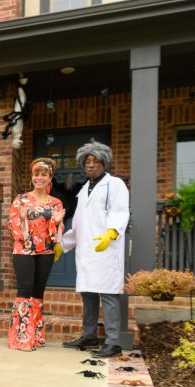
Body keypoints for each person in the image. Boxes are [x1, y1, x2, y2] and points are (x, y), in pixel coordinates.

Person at [58, 142, 130, 358]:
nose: (90, 166)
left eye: (95, 162)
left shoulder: (115, 185)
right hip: (87, 251)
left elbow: (120, 212)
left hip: (106, 248)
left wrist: (111, 233)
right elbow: (79, 224)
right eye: (87, 162)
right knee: (88, 294)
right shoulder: (83, 190)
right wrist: (63, 245)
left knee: (108, 295)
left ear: (104, 163)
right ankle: (89, 336)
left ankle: (113, 342)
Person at [7, 158, 65, 351]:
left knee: (38, 293)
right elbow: (13, 226)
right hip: (24, 251)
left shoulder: (56, 203)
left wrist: (56, 222)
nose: (39, 178)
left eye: (44, 174)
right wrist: (22, 219)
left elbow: (56, 235)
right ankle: (22, 337)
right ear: (32, 177)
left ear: (50, 178)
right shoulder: (21, 199)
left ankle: (37, 335)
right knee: (25, 290)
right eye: (36, 174)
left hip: (46, 251)